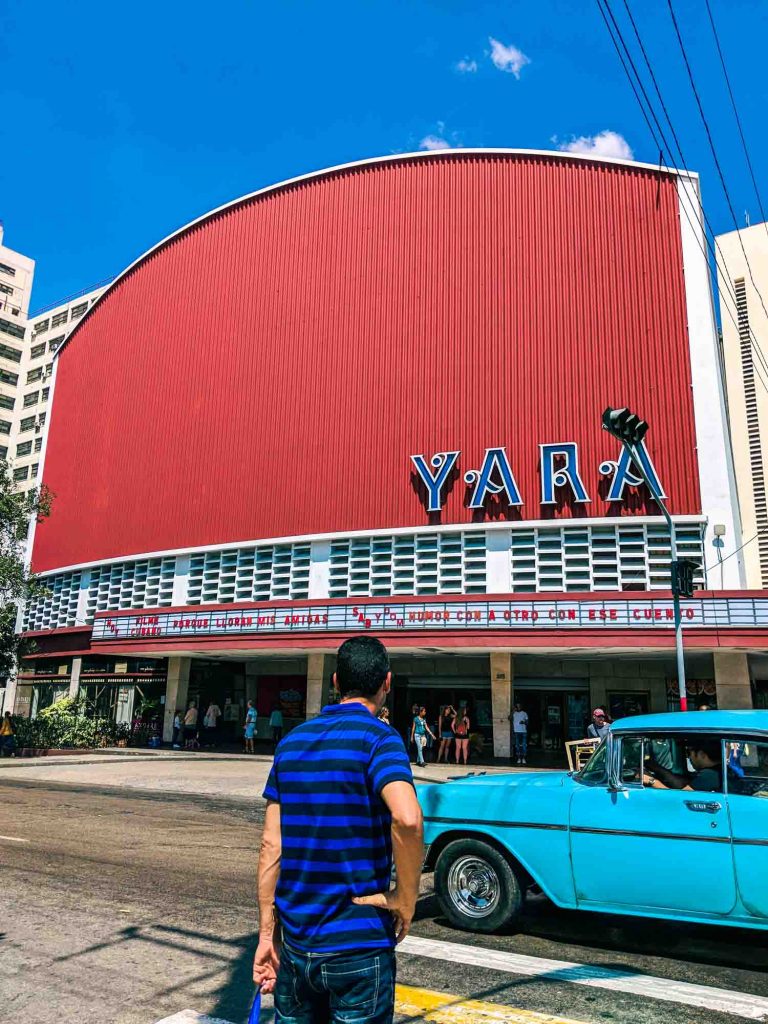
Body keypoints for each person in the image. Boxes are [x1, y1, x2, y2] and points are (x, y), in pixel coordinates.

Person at [252, 635, 423, 1023]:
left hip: (296, 945)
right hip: (359, 945)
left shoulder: (291, 743)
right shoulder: (380, 739)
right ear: (388, 683)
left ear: (334, 682)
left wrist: (267, 936)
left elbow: (270, 845)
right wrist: (405, 899)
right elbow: (408, 819)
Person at [645, 739, 726, 792]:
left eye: (689, 752)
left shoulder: (709, 775)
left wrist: (651, 781)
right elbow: (684, 782)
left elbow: (680, 798)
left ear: (701, 754)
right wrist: (657, 768)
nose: (689, 757)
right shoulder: (719, 771)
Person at [512, 701, 528, 765]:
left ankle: (523, 758)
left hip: (523, 731)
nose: (518, 707)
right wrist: (513, 711)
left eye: (519, 706)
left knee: (524, 746)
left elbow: (527, 723)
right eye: (517, 706)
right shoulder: (514, 713)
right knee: (517, 746)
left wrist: (523, 722)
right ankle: (519, 758)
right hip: (516, 731)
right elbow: (509, 718)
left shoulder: (524, 713)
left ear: (521, 707)